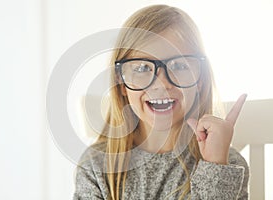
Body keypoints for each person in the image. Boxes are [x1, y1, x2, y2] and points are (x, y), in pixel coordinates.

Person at [73, 4, 249, 200]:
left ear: (200, 79)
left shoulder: (227, 165)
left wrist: (216, 167)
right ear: (121, 82)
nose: (162, 84)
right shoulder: (96, 166)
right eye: (141, 68)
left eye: (180, 65)